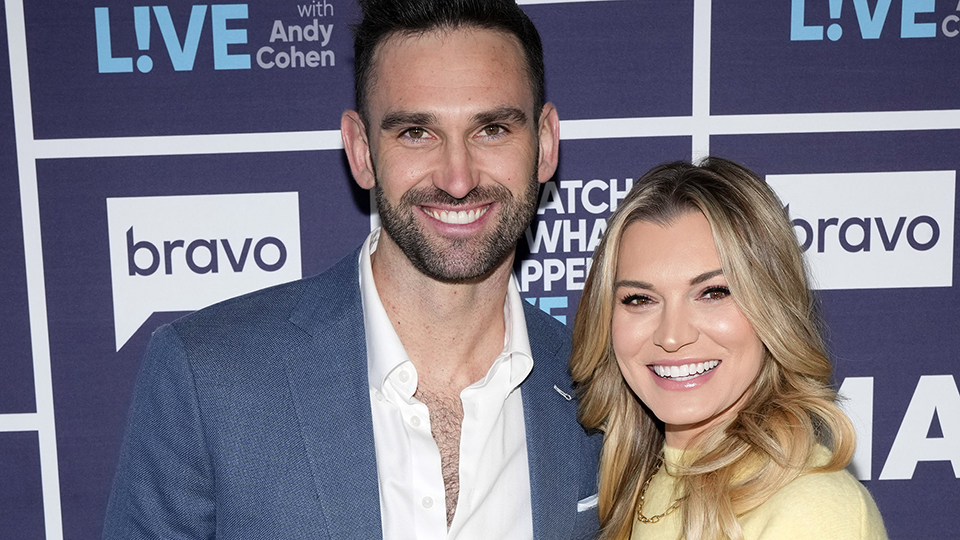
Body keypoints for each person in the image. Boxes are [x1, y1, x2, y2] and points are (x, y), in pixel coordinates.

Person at [101, 1, 601, 538]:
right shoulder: (207, 377)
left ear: (545, 144)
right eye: (415, 132)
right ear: (361, 150)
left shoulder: (601, 394)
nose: (458, 177)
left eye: (492, 129)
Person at [569, 158, 887, 540]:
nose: (672, 336)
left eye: (713, 292)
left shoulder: (810, 508)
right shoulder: (638, 482)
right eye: (639, 299)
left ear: (772, 307)